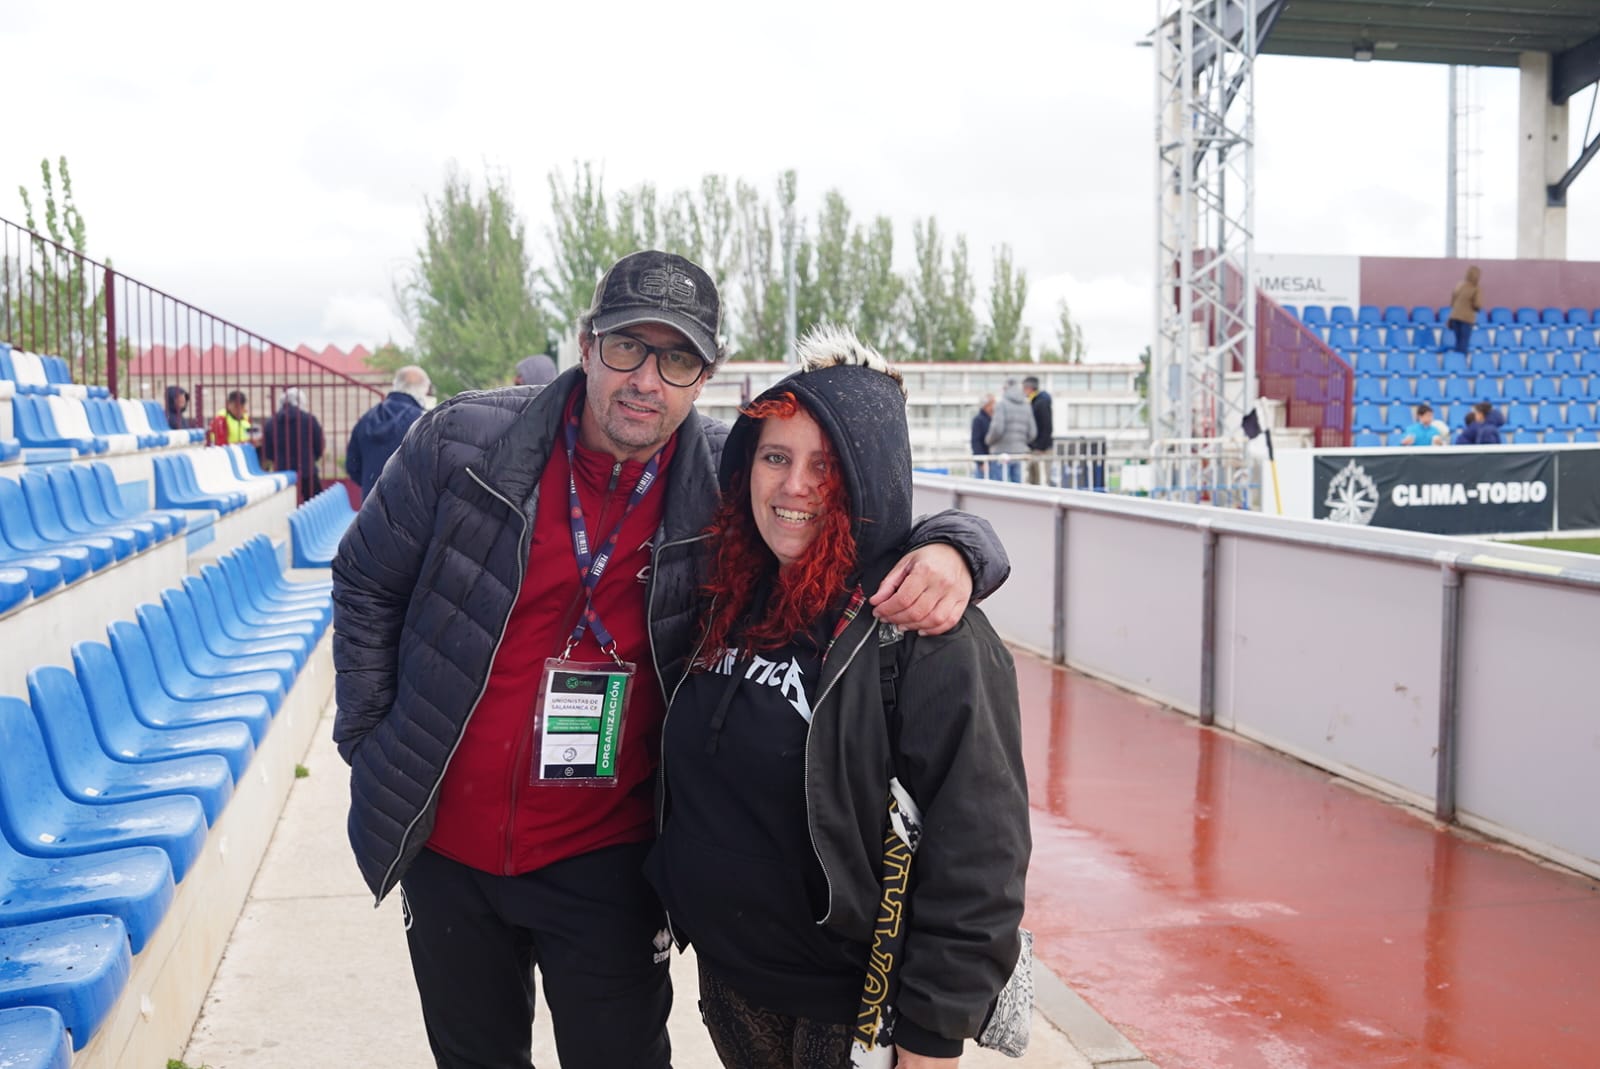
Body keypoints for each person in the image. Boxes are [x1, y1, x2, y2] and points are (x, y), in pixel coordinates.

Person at [329, 250, 1010, 1069]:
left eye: (677, 357)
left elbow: (856, 502)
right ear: (587, 344)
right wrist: (369, 739)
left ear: (704, 376)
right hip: (448, 852)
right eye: (627, 347)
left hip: (606, 861)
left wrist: (961, 547)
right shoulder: (462, 441)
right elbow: (365, 576)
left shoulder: (723, 479)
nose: (646, 378)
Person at [646, 325, 1029, 1069]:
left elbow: (980, 851)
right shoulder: (732, 589)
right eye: (776, 457)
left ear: (868, 478)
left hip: (850, 1005)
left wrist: (932, 1033)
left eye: (826, 465)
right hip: (733, 980)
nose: (794, 486)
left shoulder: (923, 628)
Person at [345, 365, 430, 501]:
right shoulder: (422, 421)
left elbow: (352, 466)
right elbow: (430, 469)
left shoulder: (366, 419)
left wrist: (373, 484)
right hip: (410, 509)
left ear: (395, 385)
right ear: (423, 390)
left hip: (371, 507)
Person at [260, 387, 326, 504]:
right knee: (315, 506)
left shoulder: (271, 423)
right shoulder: (309, 419)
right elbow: (319, 444)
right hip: (307, 470)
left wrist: (278, 459)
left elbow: (268, 451)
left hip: (282, 472)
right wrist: (311, 458)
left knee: (284, 507)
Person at [984, 378, 1036, 483]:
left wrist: (988, 441)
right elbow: (1033, 433)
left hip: (1001, 453)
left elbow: (997, 429)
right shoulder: (1027, 406)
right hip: (1020, 453)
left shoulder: (1001, 404)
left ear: (1006, 388)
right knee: (1018, 489)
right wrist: (1021, 442)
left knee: (999, 489)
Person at [1023, 374, 1054, 485]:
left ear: (1029, 388)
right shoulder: (1035, 401)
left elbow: (1047, 426)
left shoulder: (1041, 402)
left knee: (1042, 480)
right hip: (1037, 447)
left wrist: (1040, 446)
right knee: (1033, 479)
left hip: (1042, 449)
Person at [1445, 265, 1482, 354]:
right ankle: (1462, 364)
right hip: (1466, 319)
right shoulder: (1475, 288)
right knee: (1464, 343)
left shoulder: (1459, 285)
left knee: (1458, 342)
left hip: (1454, 317)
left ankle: (1457, 363)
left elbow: (1452, 302)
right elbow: (1477, 305)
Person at [970, 394, 995, 479]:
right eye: (992, 403)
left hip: (993, 459)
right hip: (984, 460)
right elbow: (975, 442)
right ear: (986, 405)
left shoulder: (994, 419)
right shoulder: (978, 420)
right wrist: (981, 462)